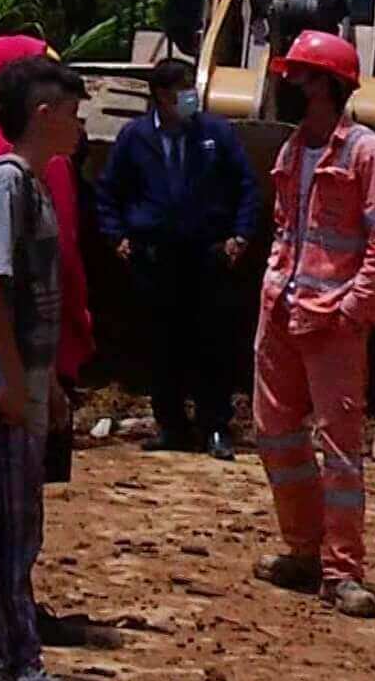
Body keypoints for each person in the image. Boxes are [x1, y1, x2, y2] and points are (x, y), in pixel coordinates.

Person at [0, 36, 95, 648]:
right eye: (73, 114)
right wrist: (13, 373)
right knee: (6, 515)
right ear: (42, 114)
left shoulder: (20, 170)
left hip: (30, 367)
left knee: (15, 510)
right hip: (10, 372)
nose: (82, 127)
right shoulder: (8, 176)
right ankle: (1, 646)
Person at [249, 31, 375, 619]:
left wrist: (353, 308)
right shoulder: (290, 152)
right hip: (281, 310)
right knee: (275, 435)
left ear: (328, 86)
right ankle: (304, 550)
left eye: (299, 77)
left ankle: (342, 569)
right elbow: (287, 231)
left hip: (332, 322)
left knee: (340, 450)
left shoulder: (368, 154)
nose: (285, 86)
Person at [96, 57, 260, 460]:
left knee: (212, 343)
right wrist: (116, 236)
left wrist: (240, 235)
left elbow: (246, 185)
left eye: (191, 89)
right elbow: (108, 191)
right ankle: (170, 425)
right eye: (178, 93)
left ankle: (215, 428)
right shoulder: (134, 137)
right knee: (161, 344)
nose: (188, 99)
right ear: (159, 97)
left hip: (208, 254)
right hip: (155, 256)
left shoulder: (216, 133)